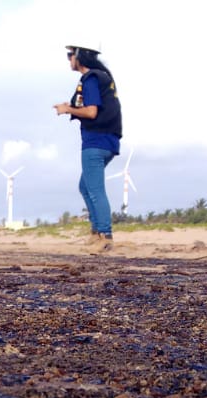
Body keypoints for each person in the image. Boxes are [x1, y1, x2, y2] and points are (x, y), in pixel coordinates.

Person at [53, 43, 122, 250]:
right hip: (109, 140)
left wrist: (67, 110)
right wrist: (72, 107)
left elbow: (91, 112)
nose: (68, 59)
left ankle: (105, 235)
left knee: (94, 190)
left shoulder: (91, 78)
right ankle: (96, 232)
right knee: (85, 186)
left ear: (80, 56)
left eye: (70, 55)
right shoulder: (103, 77)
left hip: (96, 141)